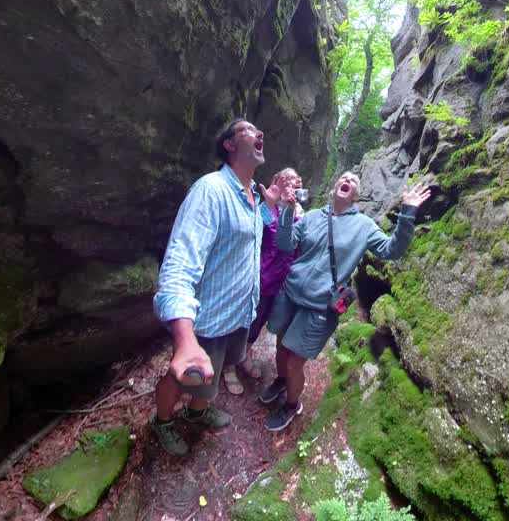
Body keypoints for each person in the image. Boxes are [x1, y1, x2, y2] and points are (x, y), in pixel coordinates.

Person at [259, 171, 431, 431]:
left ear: (355, 196)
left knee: (296, 360)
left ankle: (292, 405)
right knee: (282, 345)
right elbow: (284, 244)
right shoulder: (314, 216)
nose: (348, 180)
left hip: (319, 307)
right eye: (344, 178)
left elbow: (392, 251)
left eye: (353, 181)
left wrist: (407, 213)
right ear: (334, 186)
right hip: (291, 294)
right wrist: (286, 209)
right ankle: (282, 380)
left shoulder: (364, 226)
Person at [149, 118, 280, 456]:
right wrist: (184, 337)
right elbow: (179, 262)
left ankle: (196, 414)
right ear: (229, 145)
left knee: (212, 375)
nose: (260, 133)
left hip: (237, 316)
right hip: (207, 320)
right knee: (184, 379)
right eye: (250, 130)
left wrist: (271, 207)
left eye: (259, 130)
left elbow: (249, 239)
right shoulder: (211, 190)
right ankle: (162, 421)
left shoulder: (251, 196)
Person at [222, 167, 305, 394]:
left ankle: (243, 356)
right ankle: (228, 366)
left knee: (258, 322)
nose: (293, 187)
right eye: (288, 182)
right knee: (242, 320)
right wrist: (270, 203)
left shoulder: (299, 214)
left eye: (297, 183)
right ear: (276, 182)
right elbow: (254, 228)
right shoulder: (267, 209)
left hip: (281, 283)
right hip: (258, 276)